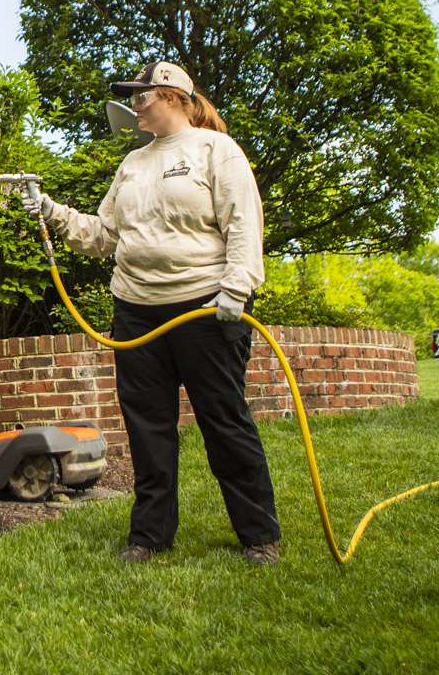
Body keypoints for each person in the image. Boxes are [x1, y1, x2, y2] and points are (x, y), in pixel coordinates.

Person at [23, 60, 281, 565]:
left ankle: (258, 536)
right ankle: (149, 536)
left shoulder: (215, 151)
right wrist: (53, 212)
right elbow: (104, 235)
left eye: (141, 95)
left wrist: (236, 288)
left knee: (224, 422)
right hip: (137, 311)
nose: (134, 105)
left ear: (171, 95)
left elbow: (243, 223)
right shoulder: (133, 164)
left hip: (205, 308)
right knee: (147, 428)